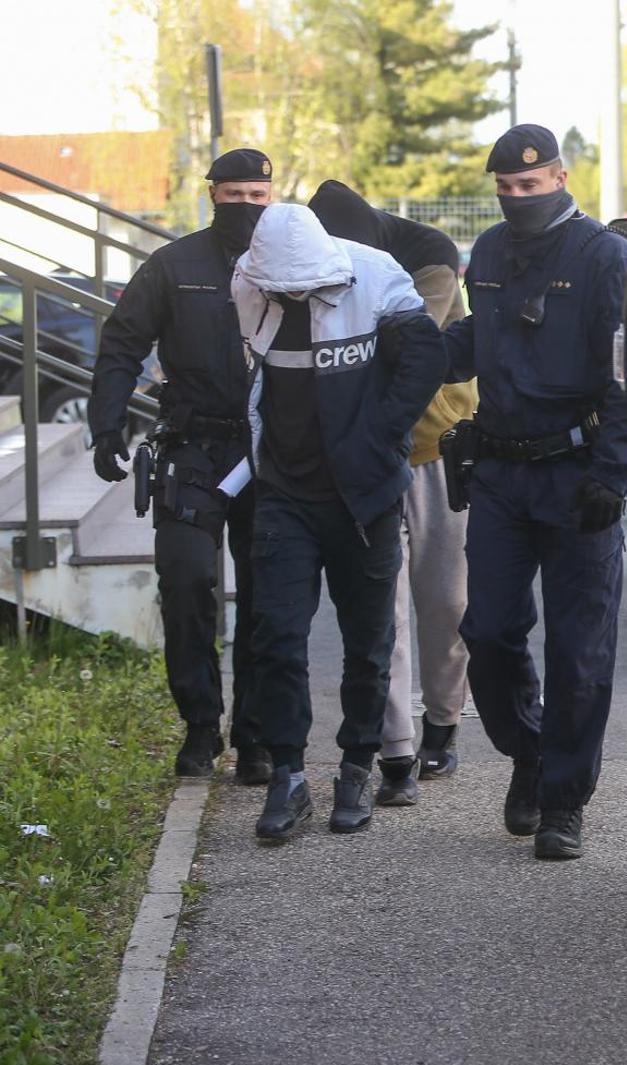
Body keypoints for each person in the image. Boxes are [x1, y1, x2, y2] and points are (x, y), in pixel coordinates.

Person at [442, 124, 627, 861]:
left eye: (529, 185)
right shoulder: (490, 253)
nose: (517, 197)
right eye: (506, 187)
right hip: (501, 473)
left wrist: (614, 472)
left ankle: (563, 802)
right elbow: (486, 339)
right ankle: (530, 752)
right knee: (489, 634)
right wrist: (413, 346)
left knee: (579, 650)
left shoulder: (606, 258)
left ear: (561, 180)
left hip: (577, 475)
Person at [232, 203, 447, 842]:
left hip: (364, 497)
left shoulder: (376, 276)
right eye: (283, 289)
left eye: (304, 287)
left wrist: (379, 438)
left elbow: (425, 362)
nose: (294, 295)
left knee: (368, 642)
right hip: (284, 493)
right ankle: (288, 775)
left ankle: (357, 767)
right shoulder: (249, 281)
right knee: (276, 637)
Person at [89, 148, 274, 782]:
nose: (246, 207)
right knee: (188, 582)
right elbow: (122, 342)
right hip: (192, 449)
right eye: (235, 195)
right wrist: (106, 423)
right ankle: (200, 724)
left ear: (271, 198)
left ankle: (255, 735)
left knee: (267, 595)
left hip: (269, 452)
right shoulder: (173, 265)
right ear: (212, 193)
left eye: (258, 197)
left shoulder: (290, 264)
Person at [309, 180, 476, 807]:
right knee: (384, 611)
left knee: (446, 601)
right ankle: (397, 749)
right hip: (367, 460)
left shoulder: (431, 256)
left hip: (435, 451)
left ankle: (444, 719)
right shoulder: (316, 265)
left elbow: (412, 350)